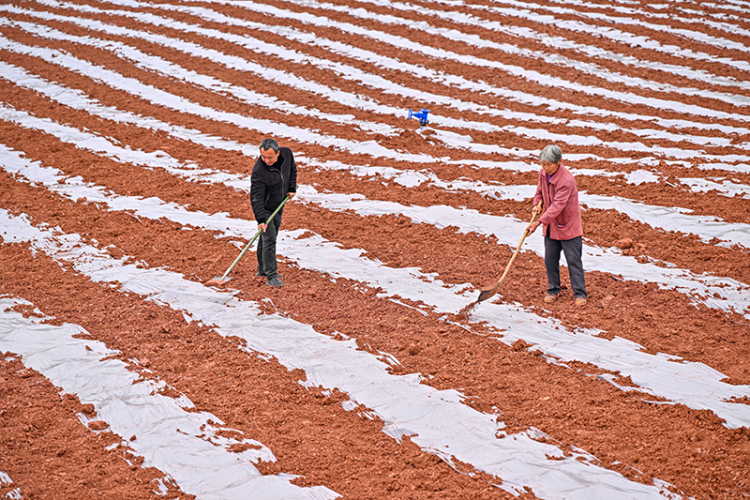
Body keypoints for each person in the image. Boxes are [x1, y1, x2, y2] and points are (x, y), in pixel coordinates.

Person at [526, 144, 588, 307]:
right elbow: (539, 191)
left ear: (559, 162)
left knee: (573, 260)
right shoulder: (543, 173)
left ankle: (580, 293)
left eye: (548, 164)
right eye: (543, 164)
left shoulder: (566, 180)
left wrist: (537, 223)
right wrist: (536, 204)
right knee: (550, 259)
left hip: (568, 225)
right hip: (551, 225)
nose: (545, 168)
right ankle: (553, 289)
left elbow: (557, 206)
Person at [250, 138, 297, 288]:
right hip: (265, 208)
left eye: (270, 157)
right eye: (263, 157)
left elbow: (292, 169)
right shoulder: (259, 171)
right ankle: (271, 276)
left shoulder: (287, 154)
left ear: (278, 153)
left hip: (279, 204)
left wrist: (291, 188)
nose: (266, 160)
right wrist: (261, 219)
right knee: (269, 239)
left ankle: (262, 269)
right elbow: (256, 197)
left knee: (267, 237)